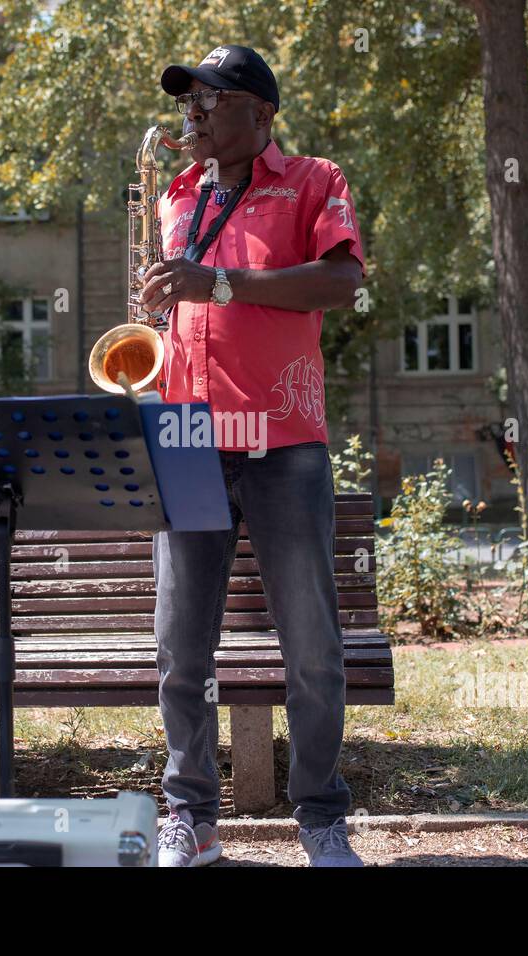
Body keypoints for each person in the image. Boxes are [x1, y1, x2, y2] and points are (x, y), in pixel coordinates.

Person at [138, 44, 367, 867]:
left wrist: (220, 286)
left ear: (262, 112)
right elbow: (178, 308)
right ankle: (189, 818)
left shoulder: (314, 180)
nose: (192, 111)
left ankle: (320, 819)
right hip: (187, 434)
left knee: (310, 644)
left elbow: (341, 285)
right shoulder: (173, 196)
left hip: (283, 437)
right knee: (178, 646)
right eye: (187, 99)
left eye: (211, 97)